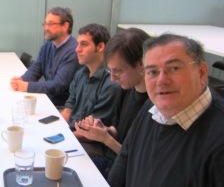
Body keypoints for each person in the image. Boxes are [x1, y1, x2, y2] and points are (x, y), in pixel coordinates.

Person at [108, 34, 224, 187]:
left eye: (174, 68)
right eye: (152, 72)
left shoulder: (218, 140)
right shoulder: (151, 108)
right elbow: (122, 166)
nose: (162, 80)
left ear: (201, 72)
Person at [75, 28, 150, 177]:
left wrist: (105, 138)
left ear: (142, 64)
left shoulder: (154, 106)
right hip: (111, 163)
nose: (113, 78)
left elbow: (137, 160)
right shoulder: (127, 89)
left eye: (118, 71)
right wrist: (103, 129)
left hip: (124, 173)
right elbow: (120, 131)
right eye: (111, 71)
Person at [59, 23, 123, 157]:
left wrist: (63, 137)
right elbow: (68, 109)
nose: (77, 49)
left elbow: (93, 132)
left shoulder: (111, 83)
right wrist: (57, 130)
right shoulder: (80, 74)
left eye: (84, 44)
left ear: (100, 47)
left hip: (93, 144)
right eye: (77, 44)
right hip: (72, 134)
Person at [10, 7, 81, 107]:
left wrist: (27, 86)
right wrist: (21, 80)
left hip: (61, 106)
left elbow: (58, 85)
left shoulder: (73, 51)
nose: (46, 28)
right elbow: (36, 69)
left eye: (51, 24)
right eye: (45, 24)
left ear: (65, 26)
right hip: (48, 98)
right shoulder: (48, 45)